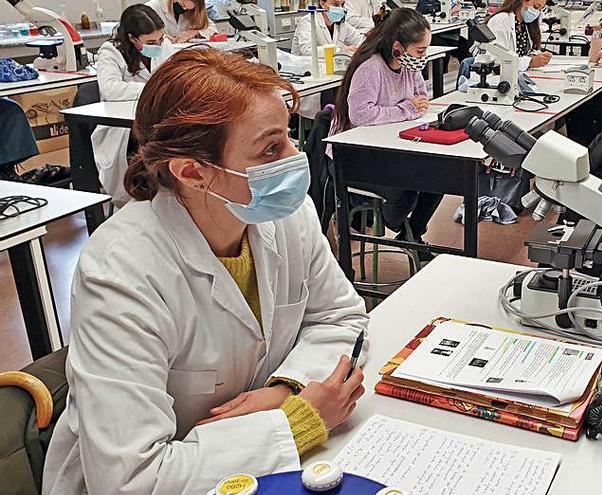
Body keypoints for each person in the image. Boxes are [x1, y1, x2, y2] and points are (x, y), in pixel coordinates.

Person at [42, 48, 368, 493]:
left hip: (246, 466)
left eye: (289, 137)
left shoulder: (287, 215)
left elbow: (341, 317)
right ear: (194, 172)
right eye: (271, 147)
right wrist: (300, 421)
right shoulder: (120, 271)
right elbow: (130, 479)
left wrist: (285, 389)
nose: (296, 158)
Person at [330, 8, 442, 256]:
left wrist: (417, 104)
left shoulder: (409, 66)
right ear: (397, 47)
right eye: (420, 51)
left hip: (389, 148)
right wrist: (406, 110)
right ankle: (399, 225)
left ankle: (410, 232)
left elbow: (421, 95)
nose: (423, 57)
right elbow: (360, 115)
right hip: (354, 157)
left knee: (441, 175)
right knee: (406, 188)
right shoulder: (371, 69)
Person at [92, 4, 166, 208]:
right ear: (132, 38)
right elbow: (110, 89)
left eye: (161, 39)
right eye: (151, 42)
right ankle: (146, 196)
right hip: (122, 129)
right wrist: (151, 88)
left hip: (153, 115)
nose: (158, 45)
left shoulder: (161, 47)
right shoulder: (110, 52)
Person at [481, 0, 551, 70]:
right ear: (523, 1)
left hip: (518, 74)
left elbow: (526, 52)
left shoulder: (525, 24)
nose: (537, 12)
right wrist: (530, 62)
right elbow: (496, 59)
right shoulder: (501, 20)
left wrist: (536, 56)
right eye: (535, 7)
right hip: (496, 77)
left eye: (540, 9)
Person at [292, 0, 365, 57]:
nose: (340, 8)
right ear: (322, 3)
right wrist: (340, 50)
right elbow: (307, 50)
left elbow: (360, 39)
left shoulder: (341, 24)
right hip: (304, 69)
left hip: (328, 67)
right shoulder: (309, 21)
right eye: (335, 4)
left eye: (342, 4)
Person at [145, 0, 217, 42]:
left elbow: (212, 28)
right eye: (182, 5)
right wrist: (164, 38)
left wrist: (194, 32)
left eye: (189, 9)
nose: (184, 10)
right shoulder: (152, 7)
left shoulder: (191, 12)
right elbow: (143, 35)